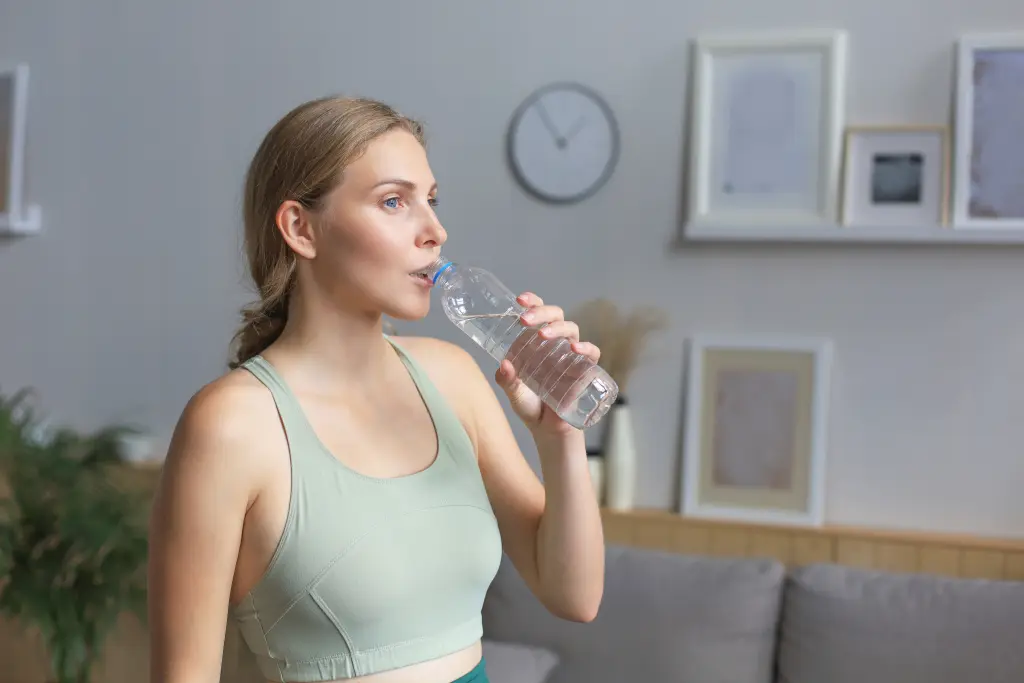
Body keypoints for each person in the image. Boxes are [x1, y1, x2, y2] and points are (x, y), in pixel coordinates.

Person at [147, 95, 606, 683]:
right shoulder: (232, 425)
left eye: (431, 201)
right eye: (394, 201)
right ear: (300, 228)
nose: (435, 230)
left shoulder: (452, 377)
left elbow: (575, 597)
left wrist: (559, 437)